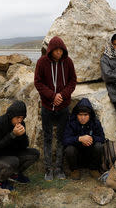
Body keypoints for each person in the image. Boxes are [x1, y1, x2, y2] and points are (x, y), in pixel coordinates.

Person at [34, 36, 77, 181]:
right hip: (47, 106)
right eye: (56, 50)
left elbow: (72, 81)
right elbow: (38, 83)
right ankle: (48, 169)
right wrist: (52, 96)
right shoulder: (42, 62)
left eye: (61, 50)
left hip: (63, 107)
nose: (58, 53)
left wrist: (62, 95)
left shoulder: (68, 62)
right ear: (51, 50)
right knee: (47, 138)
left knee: (60, 138)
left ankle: (59, 168)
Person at [0, 100, 39, 190]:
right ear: (11, 115)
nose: (20, 120)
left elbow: (24, 146)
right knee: (14, 160)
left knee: (34, 154)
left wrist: (22, 136)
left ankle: (14, 175)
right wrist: (12, 135)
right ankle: (1, 181)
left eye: (22, 117)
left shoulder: (21, 124)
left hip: (11, 155)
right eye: (17, 117)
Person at [63, 98, 105, 180]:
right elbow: (65, 140)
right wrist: (79, 139)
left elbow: (102, 138)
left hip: (90, 153)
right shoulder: (71, 123)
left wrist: (90, 138)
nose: (83, 118)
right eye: (80, 115)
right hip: (77, 155)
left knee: (99, 146)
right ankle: (74, 170)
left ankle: (94, 169)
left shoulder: (95, 123)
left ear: (89, 115)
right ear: (76, 115)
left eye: (85, 115)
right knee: (69, 149)